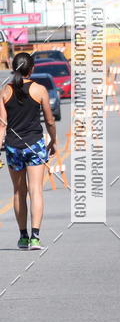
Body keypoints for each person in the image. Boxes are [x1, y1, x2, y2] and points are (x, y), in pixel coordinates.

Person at [0, 53, 57, 250]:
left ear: (14, 68)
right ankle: (35, 237)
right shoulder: (40, 90)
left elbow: (2, 125)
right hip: (35, 145)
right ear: (31, 69)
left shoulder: (5, 91)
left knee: (18, 191)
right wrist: (54, 142)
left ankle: (23, 236)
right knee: (36, 190)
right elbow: (50, 121)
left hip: (13, 146)